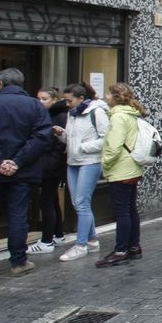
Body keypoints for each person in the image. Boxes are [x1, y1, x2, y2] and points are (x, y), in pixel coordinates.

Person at [0, 67, 51, 282]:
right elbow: (41, 137)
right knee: (18, 216)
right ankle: (18, 262)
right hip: (21, 172)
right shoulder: (34, 105)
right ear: (22, 84)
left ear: (0, 83)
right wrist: (17, 162)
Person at [96, 82, 147, 267]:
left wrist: (105, 163)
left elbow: (115, 145)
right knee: (130, 209)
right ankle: (134, 247)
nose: (105, 97)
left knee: (122, 211)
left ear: (115, 97)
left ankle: (121, 250)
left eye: (108, 95)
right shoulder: (131, 114)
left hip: (121, 168)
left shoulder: (118, 117)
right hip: (131, 166)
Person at [59, 83, 109, 262]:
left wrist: (82, 147)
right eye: (65, 100)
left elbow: (106, 139)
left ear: (81, 99)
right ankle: (93, 240)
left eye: (69, 100)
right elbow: (71, 138)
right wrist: (61, 135)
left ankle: (81, 245)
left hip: (90, 162)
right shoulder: (72, 115)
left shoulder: (97, 112)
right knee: (78, 202)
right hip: (72, 162)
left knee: (81, 203)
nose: (67, 104)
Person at [27, 88, 69, 254]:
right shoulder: (49, 114)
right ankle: (57, 235)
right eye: (38, 98)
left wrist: (47, 166)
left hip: (51, 166)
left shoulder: (59, 116)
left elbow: (58, 146)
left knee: (46, 201)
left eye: (44, 99)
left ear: (54, 99)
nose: (40, 102)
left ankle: (46, 240)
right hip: (49, 165)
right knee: (51, 200)